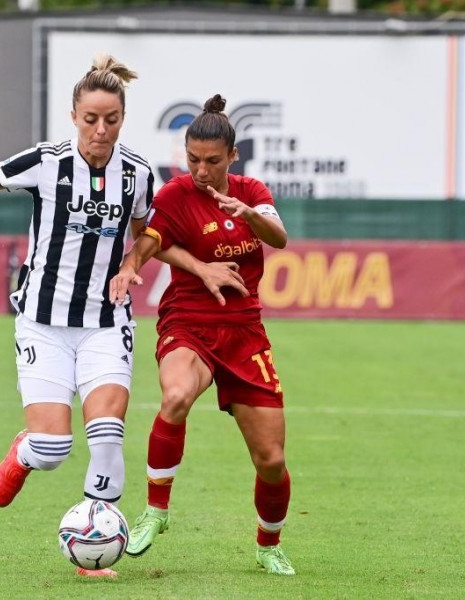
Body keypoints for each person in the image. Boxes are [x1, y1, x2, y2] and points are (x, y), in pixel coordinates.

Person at [0, 56, 243, 579]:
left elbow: (152, 233)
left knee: (107, 435)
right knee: (53, 447)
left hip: (106, 322)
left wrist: (143, 263)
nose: (100, 129)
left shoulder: (137, 173)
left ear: (122, 118)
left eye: (110, 119)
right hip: (43, 322)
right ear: (74, 115)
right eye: (90, 119)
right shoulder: (45, 162)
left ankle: (91, 553)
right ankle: (25, 451)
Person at [109, 94, 296, 576]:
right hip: (188, 322)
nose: (201, 170)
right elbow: (150, 239)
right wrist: (131, 267)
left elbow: (279, 237)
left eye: (212, 161)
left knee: (271, 459)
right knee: (175, 395)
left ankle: (268, 544)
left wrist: (249, 213)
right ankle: (155, 511)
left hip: (243, 334)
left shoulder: (252, 191)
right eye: (192, 159)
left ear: (232, 157)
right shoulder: (174, 195)